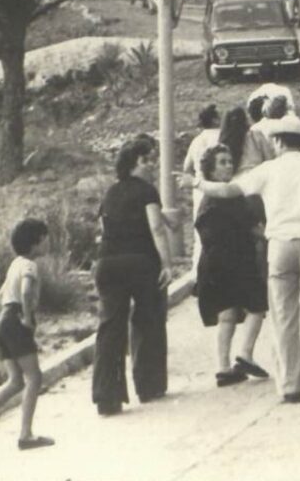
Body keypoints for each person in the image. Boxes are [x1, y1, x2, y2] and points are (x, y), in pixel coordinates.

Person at [241, 106, 300, 402]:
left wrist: (201, 183)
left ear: (278, 141)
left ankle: (290, 384)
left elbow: (236, 189)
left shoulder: (269, 170)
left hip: (280, 244)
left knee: (284, 315)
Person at [91, 134, 174, 417]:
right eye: (150, 159)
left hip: (107, 263)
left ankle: (107, 397)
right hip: (140, 262)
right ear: (138, 161)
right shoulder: (147, 191)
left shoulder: (110, 192)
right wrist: (167, 263)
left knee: (109, 328)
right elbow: (156, 228)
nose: (153, 164)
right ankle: (149, 385)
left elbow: (102, 230)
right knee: (147, 320)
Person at [194, 143, 268, 385]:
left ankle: (223, 367)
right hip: (237, 259)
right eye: (222, 162)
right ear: (212, 171)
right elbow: (251, 226)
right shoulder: (233, 197)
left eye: (229, 161)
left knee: (226, 313)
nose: (228, 166)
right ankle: (245, 353)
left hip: (213, 261)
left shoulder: (206, 200)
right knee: (257, 306)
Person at [0, 216, 53, 450]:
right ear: (35, 242)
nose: (48, 243)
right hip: (17, 321)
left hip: (4, 320)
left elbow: (1, 294)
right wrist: (28, 318)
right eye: (46, 239)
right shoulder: (30, 265)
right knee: (34, 377)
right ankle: (26, 435)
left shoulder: (14, 264)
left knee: (15, 381)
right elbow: (27, 291)